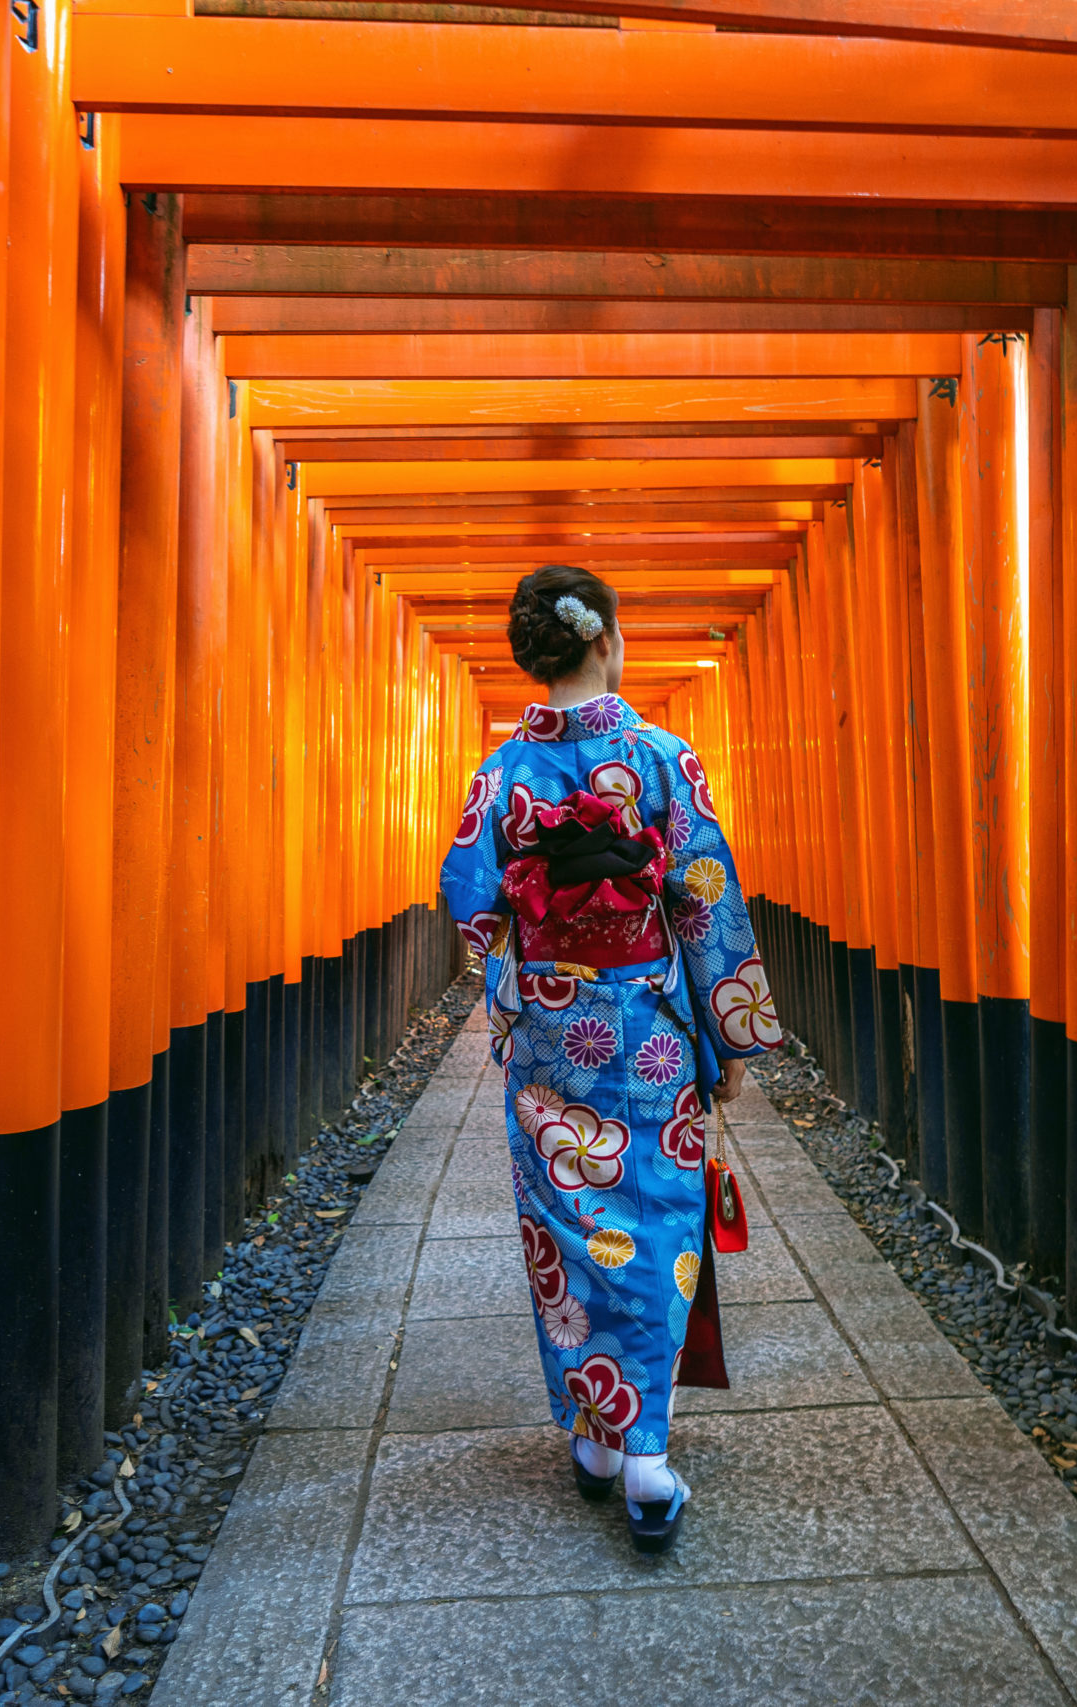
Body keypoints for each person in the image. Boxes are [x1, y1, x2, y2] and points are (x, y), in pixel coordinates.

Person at [438, 563, 783, 1554]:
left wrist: (518, 996)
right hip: (648, 1033)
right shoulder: (667, 760)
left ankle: (599, 1432)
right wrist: (730, 1033)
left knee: (567, 1226)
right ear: (608, 641)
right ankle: (646, 1458)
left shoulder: (496, 780)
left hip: (552, 1034)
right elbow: (705, 899)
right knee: (657, 1221)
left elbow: (473, 908)